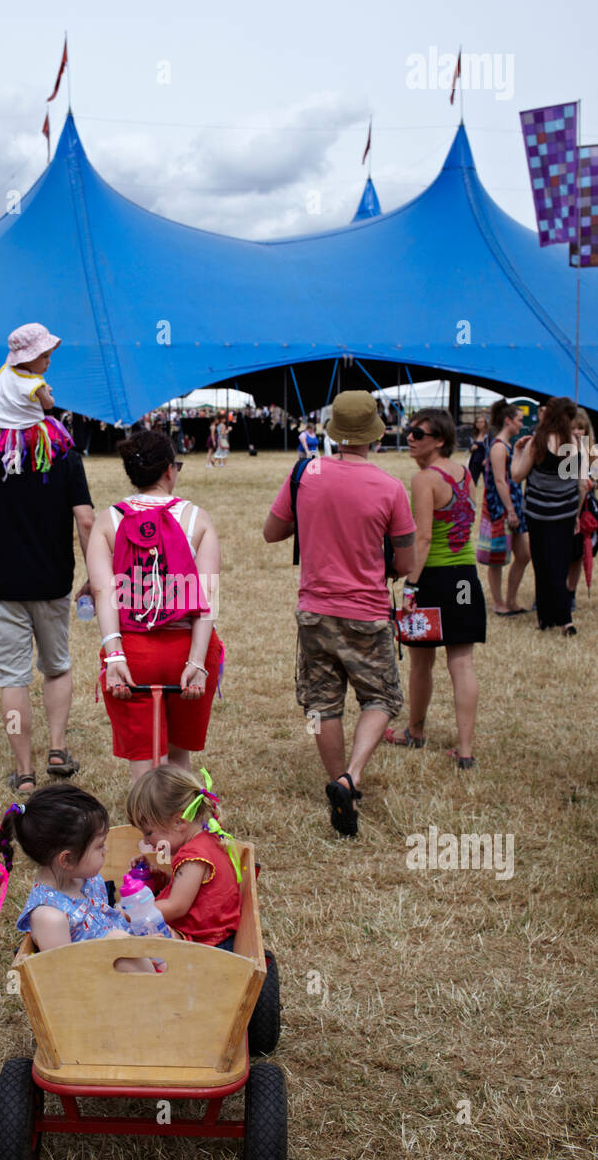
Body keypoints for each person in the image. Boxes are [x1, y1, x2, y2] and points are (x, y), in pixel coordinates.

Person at [263, 390, 416, 837]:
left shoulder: (305, 474)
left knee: (321, 704)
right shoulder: (391, 488)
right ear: (375, 433)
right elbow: (406, 565)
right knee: (382, 698)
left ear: (332, 431)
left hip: (314, 610)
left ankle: (337, 782)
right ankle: (353, 777)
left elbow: (272, 532)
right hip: (367, 611)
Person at [0, 403, 95, 793]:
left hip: (1, 585)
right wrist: (93, 575)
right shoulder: (63, 453)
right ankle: (57, 750)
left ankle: (24, 773)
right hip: (52, 581)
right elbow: (86, 519)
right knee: (56, 667)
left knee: (12, 679)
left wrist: (4, 504)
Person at [86, 429, 222, 783]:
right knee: (179, 760)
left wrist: (114, 656)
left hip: (132, 653)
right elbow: (206, 600)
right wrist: (197, 661)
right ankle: (181, 834)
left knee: (143, 767)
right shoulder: (199, 519)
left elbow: (104, 593)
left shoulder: (107, 521)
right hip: (187, 650)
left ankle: (145, 833)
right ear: (168, 470)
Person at [384, 409, 486, 769]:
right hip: (465, 578)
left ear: (439, 440)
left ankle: (416, 731)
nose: (410, 437)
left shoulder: (424, 479)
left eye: (418, 433)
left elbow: (423, 538)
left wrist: (410, 585)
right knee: (462, 661)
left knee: (421, 663)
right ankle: (466, 750)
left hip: (433, 578)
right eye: (409, 431)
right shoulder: (463, 474)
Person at [0, 786, 156, 973]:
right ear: (67, 859)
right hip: (105, 986)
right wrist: (121, 945)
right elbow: (67, 977)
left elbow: (104, 917)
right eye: (99, 846)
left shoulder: (86, 880)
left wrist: (134, 928)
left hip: (130, 956)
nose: (105, 850)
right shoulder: (50, 917)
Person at [126, 766, 242, 948]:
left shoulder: (193, 857)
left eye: (149, 832)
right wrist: (157, 876)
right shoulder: (205, 836)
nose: (146, 841)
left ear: (179, 822)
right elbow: (189, 889)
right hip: (215, 928)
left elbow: (177, 906)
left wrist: (133, 914)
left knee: (139, 938)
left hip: (203, 938)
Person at [510, 396, 579, 635]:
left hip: (539, 512)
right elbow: (577, 482)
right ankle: (565, 619)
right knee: (560, 563)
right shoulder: (578, 442)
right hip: (566, 512)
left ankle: (546, 618)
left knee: (542, 563)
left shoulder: (537, 442)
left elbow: (518, 476)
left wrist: (517, 452)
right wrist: (577, 514)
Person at [0, 322, 73, 478]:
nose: (49, 361)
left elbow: (8, 389)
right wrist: (46, 392)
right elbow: (48, 404)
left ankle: (11, 474)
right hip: (28, 430)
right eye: (45, 356)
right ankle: (36, 473)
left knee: (12, 458)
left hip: (1, 430)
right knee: (39, 451)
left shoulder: (4, 370)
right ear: (28, 358)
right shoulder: (35, 382)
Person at [476, 399, 530, 615]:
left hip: (512, 506)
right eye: (519, 420)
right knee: (496, 558)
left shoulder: (508, 446)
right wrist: (510, 510)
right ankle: (499, 603)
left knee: (524, 555)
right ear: (508, 421)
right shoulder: (499, 447)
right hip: (501, 509)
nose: (521, 424)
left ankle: (510, 600)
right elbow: (500, 481)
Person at [566, 409, 595, 605]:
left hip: (584, 509)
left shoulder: (591, 451)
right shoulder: (561, 449)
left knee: (578, 555)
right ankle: (551, 592)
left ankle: (570, 594)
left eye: (581, 428)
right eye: (573, 427)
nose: (577, 432)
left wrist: (592, 481)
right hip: (563, 506)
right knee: (558, 554)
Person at [467, 412, 488, 485]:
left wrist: (487, 459)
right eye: (477, 422)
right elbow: (469, 449)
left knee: (488, 483)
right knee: (472, 482)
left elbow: (491, 448)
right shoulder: (473, 435)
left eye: (481, 422)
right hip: (475, 462)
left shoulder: (488, 435)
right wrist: (472, 448)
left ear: (485, 423)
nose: (479, 424)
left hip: (486, 462)